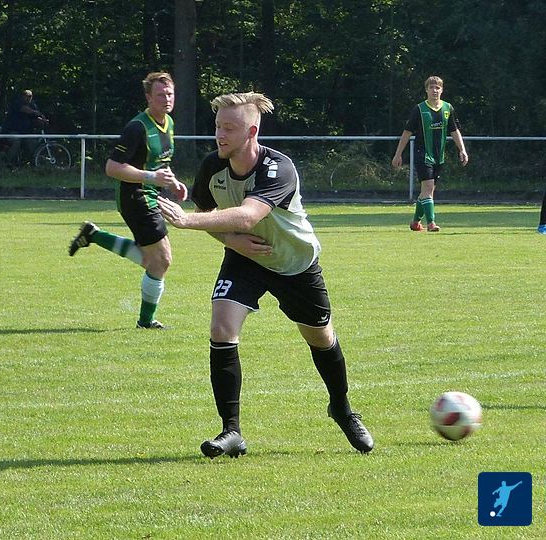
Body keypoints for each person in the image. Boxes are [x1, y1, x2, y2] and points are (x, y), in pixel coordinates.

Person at [157, 92, 374, 457]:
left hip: (294, 263)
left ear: (251, 132)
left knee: (321, 338)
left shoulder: (279, 168)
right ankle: (231, 431)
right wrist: (231, 241)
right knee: (221, 328)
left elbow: (246, 216)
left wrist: (185, 221)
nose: (220, 135)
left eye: (229, 128)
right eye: (217, 127)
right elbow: (211, 216)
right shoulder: (212, 166)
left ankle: (341, 408)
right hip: (245, 258)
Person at [68, 72, 187, 329]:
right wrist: (151, 177)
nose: (166, 99)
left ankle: (94, 235)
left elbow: (159, 164)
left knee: (152, 260)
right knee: (161, 260)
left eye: (170, 94)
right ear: (148, 97)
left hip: (152, 194)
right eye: (160, 95)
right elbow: (112, 167)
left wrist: (173, 183)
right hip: (135, 197)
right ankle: (146, 321)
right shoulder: (137, 128)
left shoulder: (168, 123)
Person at [391, 75, 468, 232]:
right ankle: (431, 223)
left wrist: (462, 150)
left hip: (439, 156)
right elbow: (407, 132)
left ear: (442, 90)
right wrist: (398, 154)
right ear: (426, 90)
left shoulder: (448, 108)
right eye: (431, 87)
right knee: (428, 187)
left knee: (427, 191)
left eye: (437, 87)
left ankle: (415, 222)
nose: (434, 90)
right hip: (423, 154)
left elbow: (454, 131)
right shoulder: (419, 109)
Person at [1, 89, 47, 164]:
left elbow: (36, 116)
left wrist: (43, 120)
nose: (29, 98)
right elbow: (27, 110)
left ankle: (30, 162)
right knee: (17, 142)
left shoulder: (33, 105)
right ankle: (6, 163)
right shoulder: (17, 103)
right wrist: (38, 114)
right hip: (11, 131)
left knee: (32, 143)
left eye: (30, 96)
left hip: (25, 133)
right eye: (27, 96)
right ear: (22, 96)